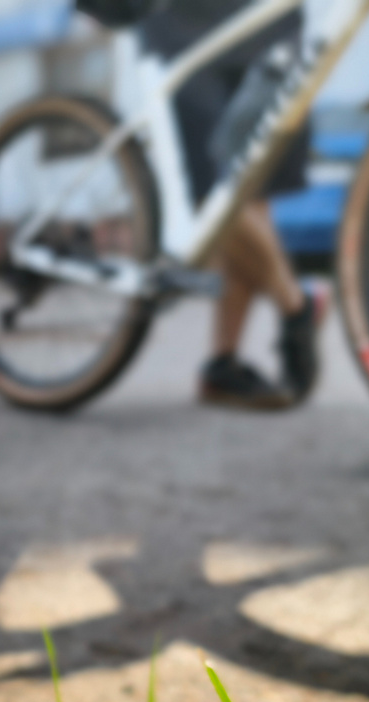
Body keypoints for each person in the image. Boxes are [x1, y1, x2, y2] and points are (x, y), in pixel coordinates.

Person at [139, 1, 321, 410]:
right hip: (183, 22)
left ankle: (224, 360)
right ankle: (295, 305)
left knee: (251, 190)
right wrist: (292, 301)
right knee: (211, 185)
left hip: (265, 19)